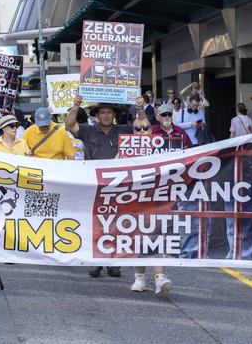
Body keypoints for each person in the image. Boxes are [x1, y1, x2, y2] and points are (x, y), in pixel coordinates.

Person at [66, 98, 131, 277]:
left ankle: (113, 263)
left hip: (119, 185)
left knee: (116, 225)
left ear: (114, 115)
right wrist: (76, 105)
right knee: (96, 225)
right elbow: (70, 123)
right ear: (96, 115)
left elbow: (145, 128)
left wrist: (141, 109)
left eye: (109, 112)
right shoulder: (87, 130)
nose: (106, 115)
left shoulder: (124, 130)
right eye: (102, 112)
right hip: (94, 185)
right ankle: (96, 262)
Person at [128, 113, 173, 295]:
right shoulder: (126, 148)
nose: (141, 132)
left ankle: (159, 278)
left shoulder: (163, 148)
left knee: (157, 239)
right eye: (137, 129)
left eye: (145, 128)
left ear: (151, 130)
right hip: (132, 202)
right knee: (135, 241)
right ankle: (139, 278)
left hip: (157, 201)